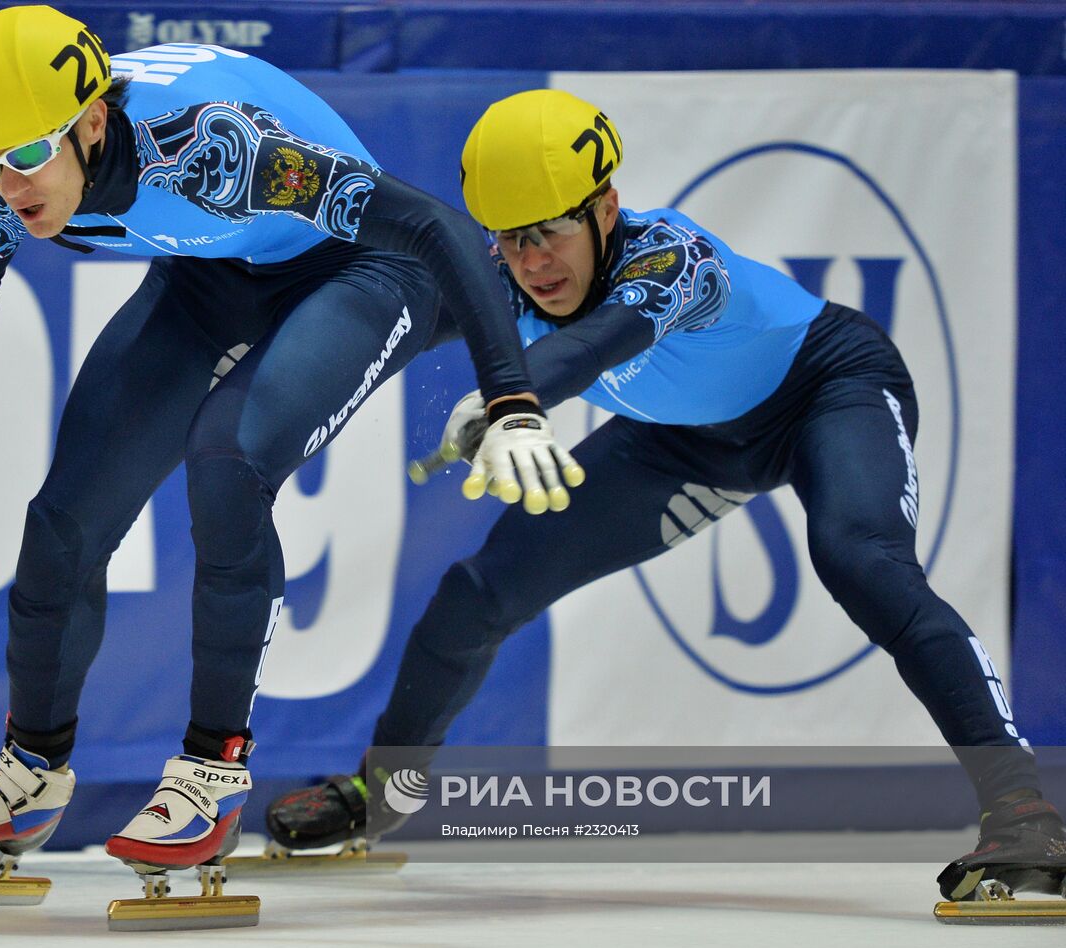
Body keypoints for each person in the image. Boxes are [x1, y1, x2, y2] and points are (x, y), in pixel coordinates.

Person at [266, 89, 1066, 903]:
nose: (533, 262)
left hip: (826, 390)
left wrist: (512, 397)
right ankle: (383, 793)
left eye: (551, 230)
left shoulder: (674, 257)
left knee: (862, 560)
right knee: (477, 594)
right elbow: (379, 323)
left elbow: (595, 344)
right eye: (509, 237)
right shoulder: (502, 277)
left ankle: (1021, 808)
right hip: (686, 441)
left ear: (607, 209)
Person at [0, 7, 585, 880]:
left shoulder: (215, 148)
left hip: (358, 267)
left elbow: (432, 229)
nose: (6, 183)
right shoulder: (11, 165)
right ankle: (30, 772)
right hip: (215, 270)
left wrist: (514, 398)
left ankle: (211, 772)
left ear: (94, 121)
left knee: (226, 462)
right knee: (66, 516)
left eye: (27, 157)